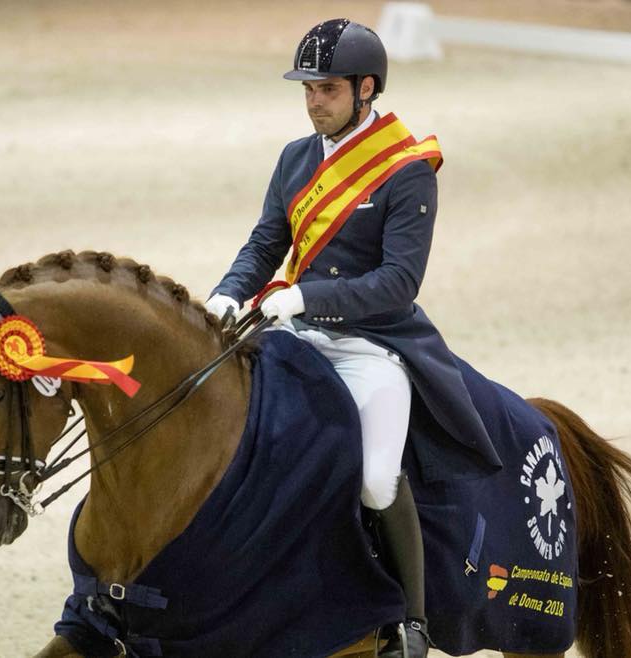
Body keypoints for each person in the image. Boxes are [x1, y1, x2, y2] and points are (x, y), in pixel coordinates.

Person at [205, 18, 502, 658]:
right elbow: (265, 244)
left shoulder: (407, 170)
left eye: (329, 89)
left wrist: (309, 295)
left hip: (375, 346)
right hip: (296, 336)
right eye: (308, 89)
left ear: (366, 89)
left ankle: (412, 622)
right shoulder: (294, 158)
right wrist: (228, 293)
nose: (315, 102)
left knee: (374, 478)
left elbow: (400, 281)